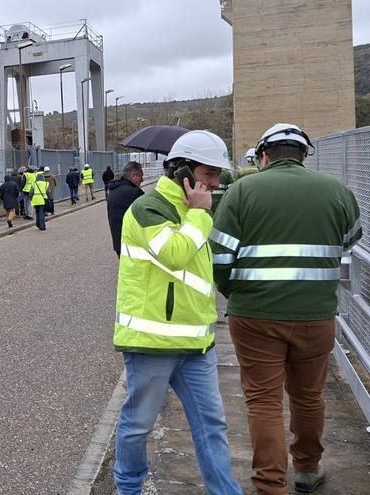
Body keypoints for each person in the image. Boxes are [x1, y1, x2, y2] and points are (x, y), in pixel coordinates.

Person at [211, 123, 361, 495]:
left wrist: (236, 294)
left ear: (264, 155)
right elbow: (348, 244)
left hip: (254, 316)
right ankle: (308, 470)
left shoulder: (242, 191)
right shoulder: (337, 192)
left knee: (263, 401)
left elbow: (220, 257)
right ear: (303, 155)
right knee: (309, 396)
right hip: (316, 316)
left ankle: (269, 485)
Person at [113, 130, 242, 495]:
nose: (215, 184)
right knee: (139, 424)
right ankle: (128, 488)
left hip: (197, 343)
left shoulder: (192, 211)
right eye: (209, 175)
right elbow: (174, 253)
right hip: (153, 342)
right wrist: (200, 214)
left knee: (212, 424)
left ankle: (226, 491)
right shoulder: (148, 208)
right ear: (183, 172)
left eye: (218, 176)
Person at [105, 162, 144, 256]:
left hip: (119, 243)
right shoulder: (134, 193)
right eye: (141, 176)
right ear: (133, 176)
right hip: (133, 244)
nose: (142, 180)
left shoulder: (114, 190)